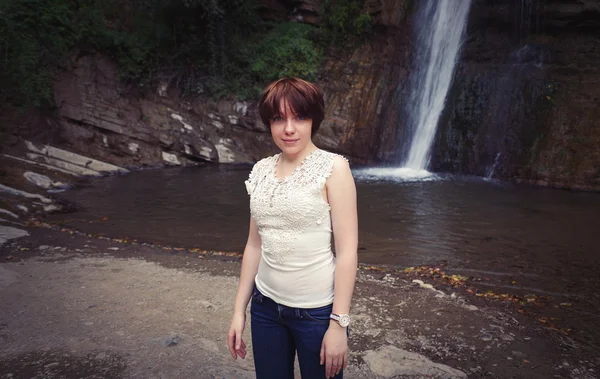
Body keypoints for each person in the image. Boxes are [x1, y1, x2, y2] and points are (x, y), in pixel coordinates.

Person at [227, 77, 358, 379]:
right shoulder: (260, 170)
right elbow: (253, 245)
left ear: (314, 120)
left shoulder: (333, 168)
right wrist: (238, 312)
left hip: (317, 313)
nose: (288, 128)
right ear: (269, 123)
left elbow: (348, 251)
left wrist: (339, 323)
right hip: (265, 309)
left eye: (299, 117)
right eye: (278, 118)